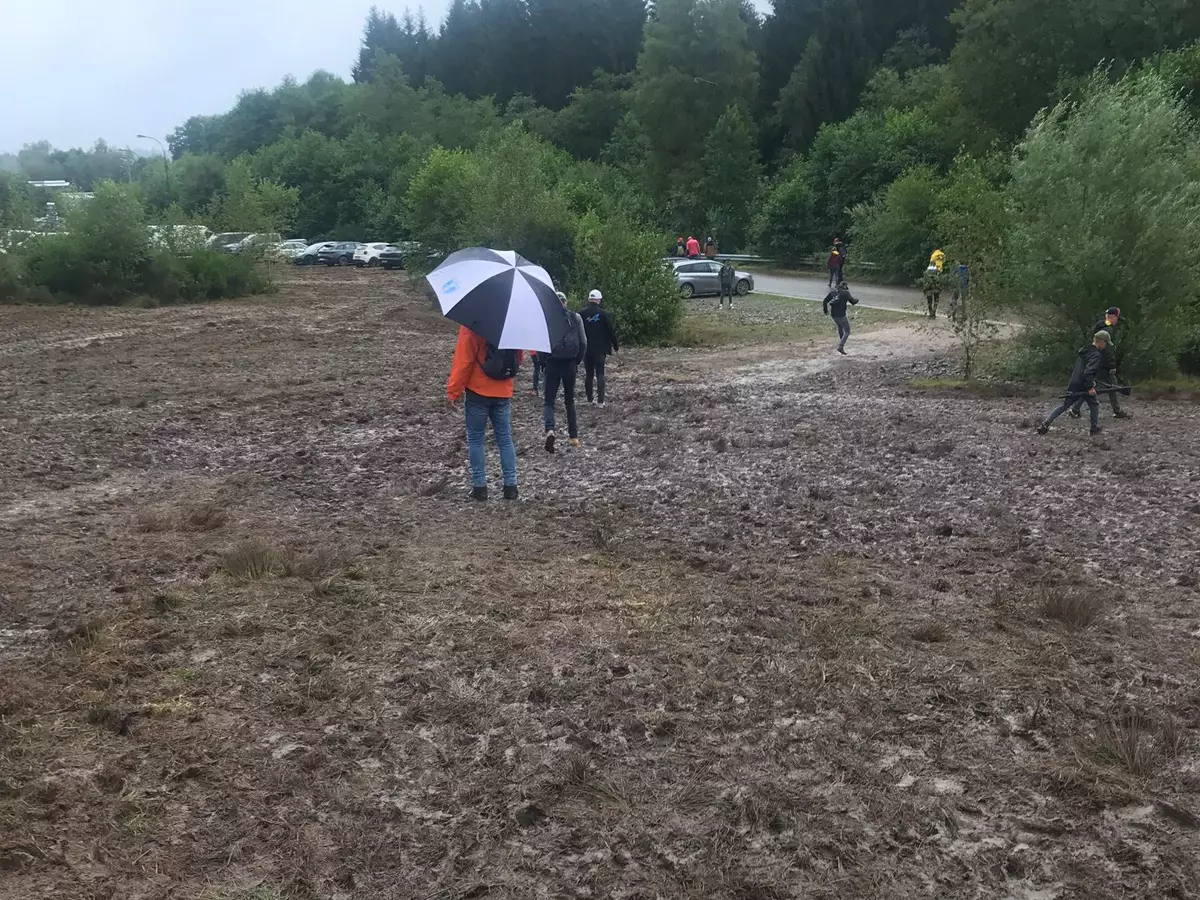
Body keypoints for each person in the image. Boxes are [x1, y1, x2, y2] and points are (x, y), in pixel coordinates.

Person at [446, 326, 522, 501]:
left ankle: (479, 488)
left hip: (477, 392)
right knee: (504, 439)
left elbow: (463, 361)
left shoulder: (472, 324)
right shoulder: (512, 323)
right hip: (503, 391)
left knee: (475, 439)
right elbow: (518, 359)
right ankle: (511, 487)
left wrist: (453, 392)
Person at [1036, 331, 1110, 436]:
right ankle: (1093, 429)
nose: (1106, 345)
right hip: (1084, 384)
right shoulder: (1096, 354)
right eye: (1105, 343)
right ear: (1101, 342)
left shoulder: (1085, 350)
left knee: (1065, 405)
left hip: (1075, 382)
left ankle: (1045, 425)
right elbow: (1088, 372)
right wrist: (1090, 387)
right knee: (1094, 404)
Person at [543, 291, 587, 453]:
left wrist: (543, 362)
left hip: (552, 363)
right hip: (570, 364)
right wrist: (576, 361)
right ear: (565, 302)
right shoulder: (576, 318)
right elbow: (583, 343)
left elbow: (542, 344)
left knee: (549, 401)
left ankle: (550, 429)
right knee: (569, 401)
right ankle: (573, 436)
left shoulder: (547, 319)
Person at [1069, 307, 1129, 420]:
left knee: (1098, 386)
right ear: (1113, 317)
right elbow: (1108, 349)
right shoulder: (1108, 330)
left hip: (1096, 361)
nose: (1117, 321)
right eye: (1117, 318)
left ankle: (1075, 409)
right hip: (1102, 363)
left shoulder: (1099, 326)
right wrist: (1112, 365)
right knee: (1109, 386)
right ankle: (1075, 409)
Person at [581, 289, 619, 406]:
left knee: (589, 374)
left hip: (586, 349)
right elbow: (610, 331)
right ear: (599, 300)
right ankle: (600, 401)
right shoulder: (604, 314)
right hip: (600, 349)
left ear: (589, 299)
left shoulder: (581, 314)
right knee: (600, 373)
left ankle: (589, 399)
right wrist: (615, 345)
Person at [822, 281, 859, 354]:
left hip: (834, 315)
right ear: (845, 286)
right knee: (847, 331)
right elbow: (853, 302)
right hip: (841, 315)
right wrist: (857, 299)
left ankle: (841, 341)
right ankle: (841, 346)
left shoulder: (833, 292)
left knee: (840, 327)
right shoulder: (846, 293)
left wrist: (825, 310)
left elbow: (825, 301)